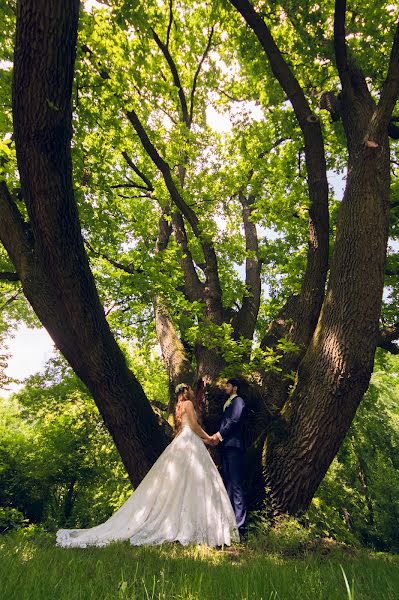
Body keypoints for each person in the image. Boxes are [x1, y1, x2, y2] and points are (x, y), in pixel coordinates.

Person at [56, 383, 239, 548]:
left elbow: (185, 426)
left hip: (181, 442)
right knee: (195, 482)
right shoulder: (189, 404)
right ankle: (192, 526)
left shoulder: (178, 407)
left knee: (180, 483)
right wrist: (208, 438)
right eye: (190, 389)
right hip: (190, 442)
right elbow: (192, 425)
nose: (193, 390)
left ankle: (182, 523)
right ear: (186, 391)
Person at [209, 378, 247, 539]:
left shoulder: (238, 401)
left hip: (234, 446)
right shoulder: (229, 402)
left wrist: (218, 435)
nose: (226, 387)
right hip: (226, 446)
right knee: (230, 484)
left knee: (236, 485)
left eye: (228, 385)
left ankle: (241, 527)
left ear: (235, 388)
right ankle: (231, 524)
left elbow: (234, 420)